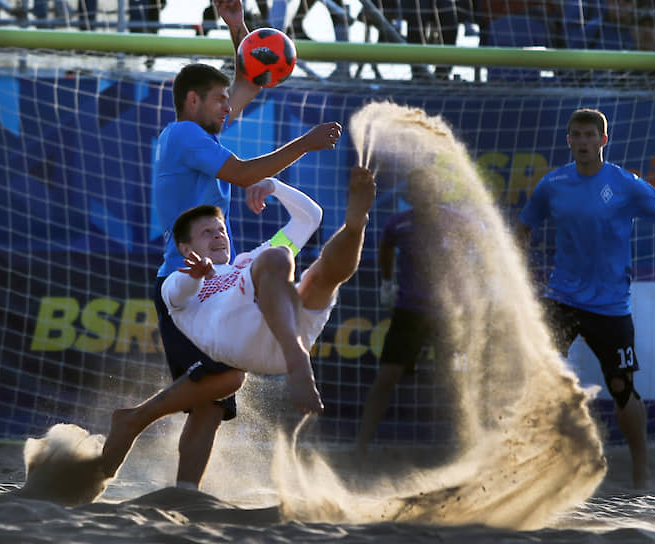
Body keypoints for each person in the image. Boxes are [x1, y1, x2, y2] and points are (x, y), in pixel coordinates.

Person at [148, 0, 344, 491]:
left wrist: (238, 27)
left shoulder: (197, 130)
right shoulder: (183, 136)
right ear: (193, 101)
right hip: (184, 280)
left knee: (211, 405)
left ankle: (184, 493)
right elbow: (243, 174)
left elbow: (250, 80)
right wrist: (305, 143)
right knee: (214, 391)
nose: (228, 108)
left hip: (211, 279)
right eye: (218, 101)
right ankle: (131, 422)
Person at [101, 167, 378, 478]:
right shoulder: (178, 281)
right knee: (277, 258)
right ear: (185, 249)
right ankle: (298, 361)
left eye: (220, 230)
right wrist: (196, 276)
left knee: (319, 278)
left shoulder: (246, 262)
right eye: (207, 232)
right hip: (238, 340)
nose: (219, 235)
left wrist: (273, 185)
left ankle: (355, 227)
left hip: (281, 335)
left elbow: (310, 217)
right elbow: (176, 296)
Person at [517, 108, 655, 489]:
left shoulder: (625, 184)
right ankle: (534, 465)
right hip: (562, 298)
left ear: (604, 141)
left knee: (621, 388)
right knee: (535, 376)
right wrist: (517, 270)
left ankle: (640, 471)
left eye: (590, 136)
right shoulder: (552, 185)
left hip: (610, 306)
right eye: (576, 135)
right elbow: (524, 226)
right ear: (568, 140)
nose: (583, 142)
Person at [354, 168, 473, 455]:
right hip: (409, 313)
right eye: (418, 189)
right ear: (411, 195)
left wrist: (470, 285)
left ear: (438, 192)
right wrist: (386, 282)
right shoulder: (400, 224)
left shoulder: (457, 222)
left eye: (429, 188)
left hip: (448, 317)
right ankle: (360, 447)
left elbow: (481, 247)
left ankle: (466, 447)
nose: (423, 194)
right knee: (386, 378)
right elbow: (385, 245)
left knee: (455, 383)